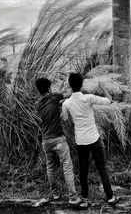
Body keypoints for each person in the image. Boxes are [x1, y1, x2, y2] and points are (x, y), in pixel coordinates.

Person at [62, 73, 119, 206]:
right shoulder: (89, 98)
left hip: (80, 141)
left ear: (70, 85)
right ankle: (110, 197)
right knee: (102, 167)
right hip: (94, 138)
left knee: (83, 170)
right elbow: (109, 100)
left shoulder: (67, 103)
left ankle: (85, 197)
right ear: (82, 84)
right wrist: (102, 87)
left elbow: (65, 119)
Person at [35, 78, 87, 209]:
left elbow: (52, 105)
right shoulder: (54, 97)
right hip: (58, 139)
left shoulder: (38, 104)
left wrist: (60, 102)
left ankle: (55, 194)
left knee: (50, 167)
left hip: (45, 141)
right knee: (67, 166)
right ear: (48, 88)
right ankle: (73, 198)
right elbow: (69, 95)